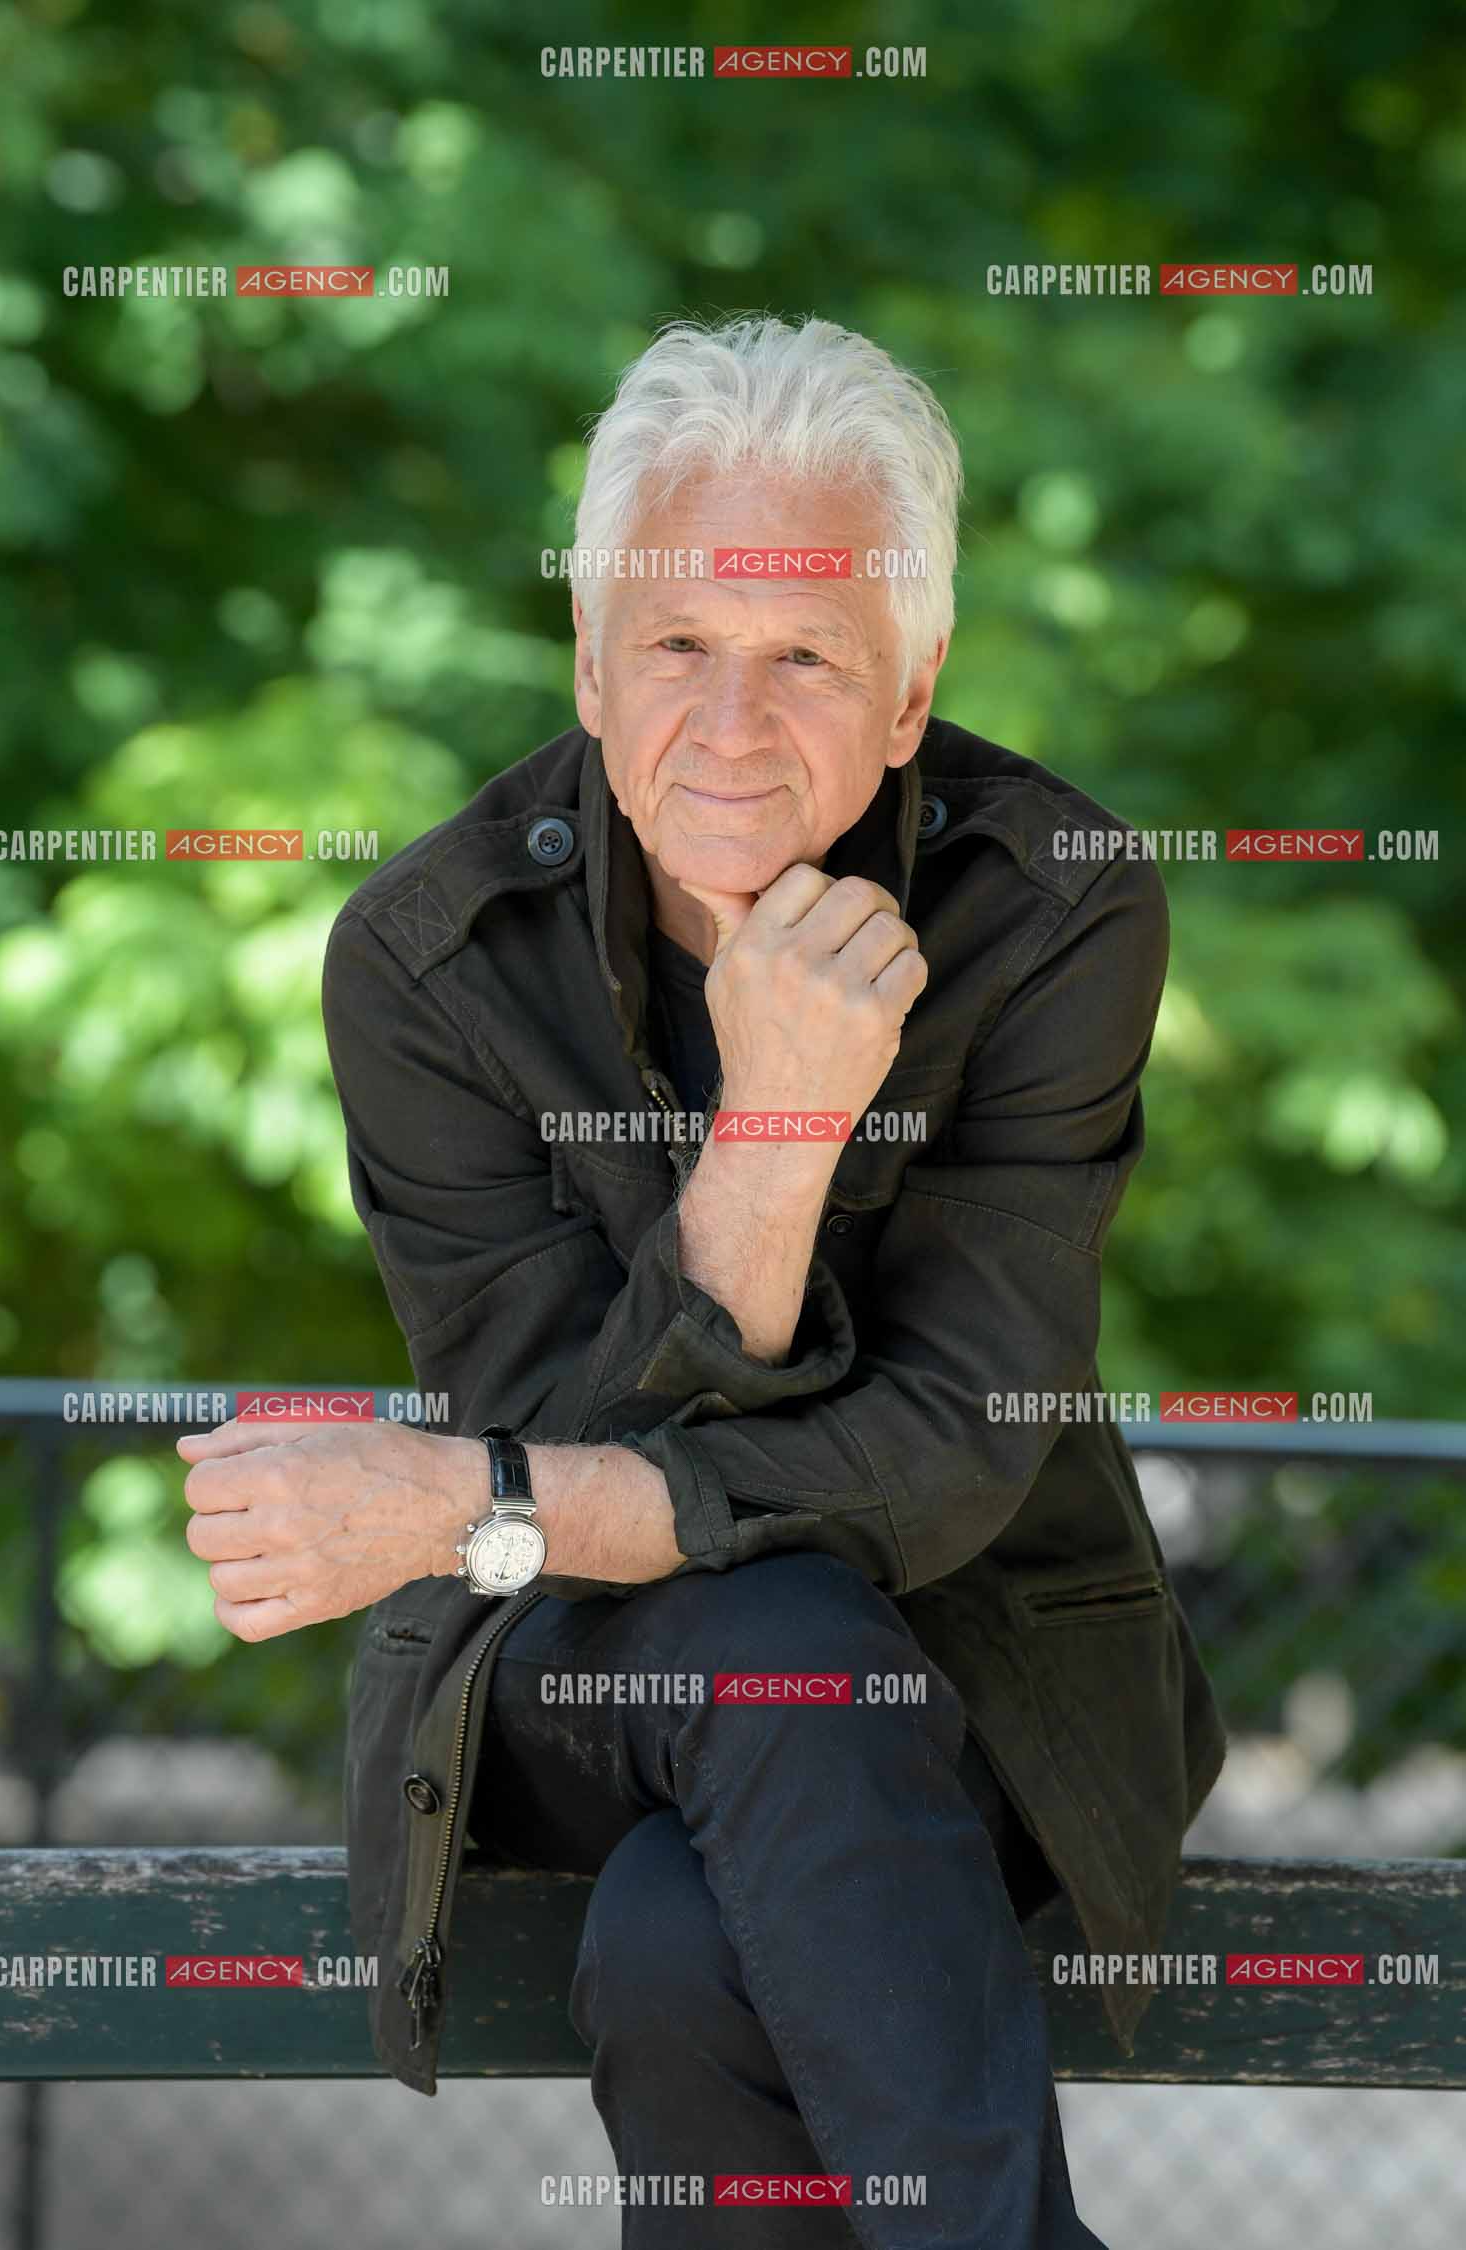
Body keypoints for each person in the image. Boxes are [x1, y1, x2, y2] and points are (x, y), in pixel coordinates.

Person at [180, 314, 1226, 2248]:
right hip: (583, 1674)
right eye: (676, 644)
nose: (732, 723)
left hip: (975, 1677)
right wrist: (776, 1135)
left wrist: (470, 1497)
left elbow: (949, 1456)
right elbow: (568, 1468)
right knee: (778, 1632)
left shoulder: (1054, 903)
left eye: (806, 654)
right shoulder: (429, 961)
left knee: (680, 1939)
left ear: (911, 691)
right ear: (590, 661)